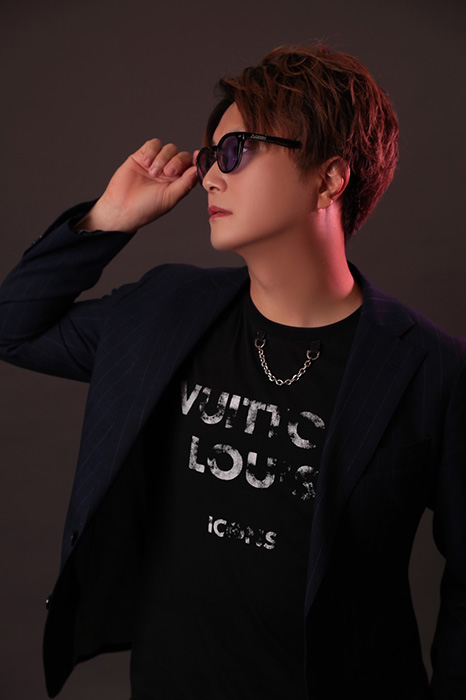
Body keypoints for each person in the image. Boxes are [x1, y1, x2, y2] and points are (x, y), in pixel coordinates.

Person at [0, 44, 465, 700]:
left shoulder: (432, 372)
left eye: (236, 150)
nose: (210, 177)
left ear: (330, 178)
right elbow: (13, 328)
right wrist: (107, 220)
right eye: (209, 155)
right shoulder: (164, 311)